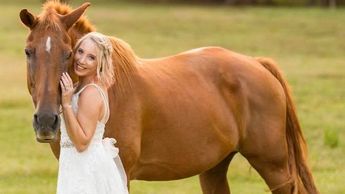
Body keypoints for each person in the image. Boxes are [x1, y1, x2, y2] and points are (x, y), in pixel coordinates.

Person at [57, 32, 128, 194]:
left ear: (100, 63)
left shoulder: (91, 93)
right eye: (80, 52)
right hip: (73, 165)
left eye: (91, 57)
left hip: (86, 169)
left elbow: (82, 143)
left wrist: (67, 105)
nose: (81, 60)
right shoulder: (76, 88)